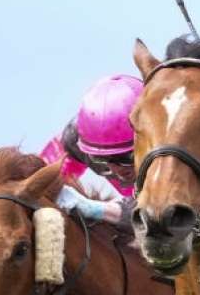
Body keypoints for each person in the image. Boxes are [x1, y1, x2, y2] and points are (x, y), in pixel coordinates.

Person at [38, 74, 144, 228]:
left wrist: (96, 209)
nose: (116, 169)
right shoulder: (75, 140)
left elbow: (159, 213)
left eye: (126, 156)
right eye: (101, 158)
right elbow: (38, 177)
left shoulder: (176, 144)